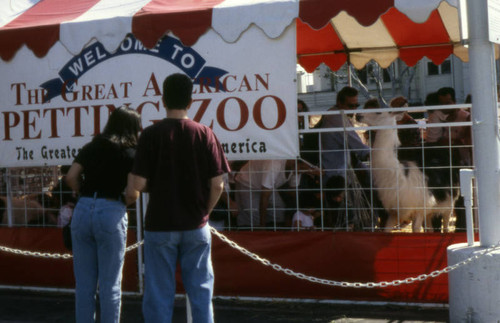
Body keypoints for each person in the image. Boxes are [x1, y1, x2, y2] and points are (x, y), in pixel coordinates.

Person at [125, 73, 230, 323]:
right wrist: (204, 211)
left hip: (160, 224)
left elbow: (137, 185)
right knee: (202, 294)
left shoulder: (150, 135)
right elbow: (218, 184)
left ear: (163, 99)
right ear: (191, 100)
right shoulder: (205, 134)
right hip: (196, 224)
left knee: (159, 294)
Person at [66, 106, 141, 323]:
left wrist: (83, 193)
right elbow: (131, 193)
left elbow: (71, 176)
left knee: (84, 286)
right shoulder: (131, 153)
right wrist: (121, 202)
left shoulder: (92, 146)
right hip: (111, 210)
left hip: (83, 208)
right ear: (133, 128)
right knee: (110, 286)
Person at [320, 86, 370, 182]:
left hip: (338, 168)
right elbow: (357, 145)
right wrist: (377, 154)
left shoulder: (336, 114)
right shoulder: (336, 117)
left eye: (356, 105)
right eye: (351, 106)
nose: (354, 109)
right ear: (340, 103)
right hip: (335, 172)